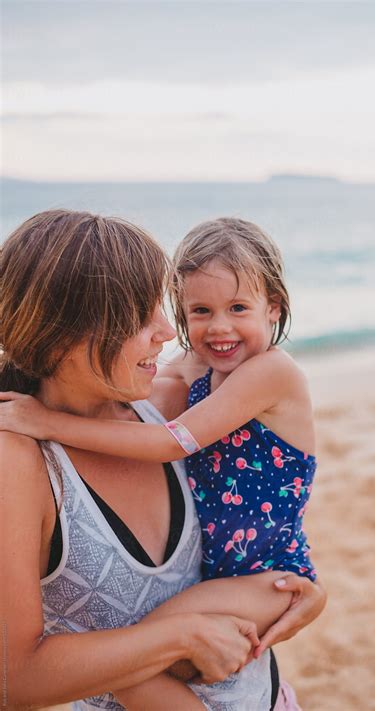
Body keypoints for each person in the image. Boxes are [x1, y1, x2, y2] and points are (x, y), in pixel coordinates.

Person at [0, 210, 326, 711]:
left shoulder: (167, 402)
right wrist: (180, 638)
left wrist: (304, 590)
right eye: (138, 313)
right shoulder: (18, 461)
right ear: (63, 332)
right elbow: (12, 681)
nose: (166, 330)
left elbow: (244, 491)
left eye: (160, 306)